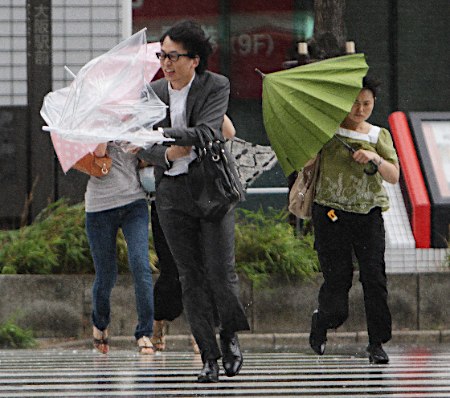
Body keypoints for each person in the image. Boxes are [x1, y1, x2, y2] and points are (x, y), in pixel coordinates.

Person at [137, 20, 250, 383]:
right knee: (190, 277)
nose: (166, 63)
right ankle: (209, 358)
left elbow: (207, 131)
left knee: (221, 274)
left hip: (211, 188)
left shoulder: (216, 86)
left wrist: (162, 133)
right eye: (162, 55)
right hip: (171, 193)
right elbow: (144, 146)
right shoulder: (152, 93)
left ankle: (229, 334)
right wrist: (167, 152)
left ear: (195, 60)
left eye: (174, 56)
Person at [308, 76, 400, 364]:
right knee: (338, 279)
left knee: (374, 278)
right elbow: (304, 163)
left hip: (369, 214)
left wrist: (374, 158)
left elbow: (394, 176)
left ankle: (377, 343)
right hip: (331, 214)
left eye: (366, 103)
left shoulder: (378, 135)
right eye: (355, 103)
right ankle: (324, 321)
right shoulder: (326, 131)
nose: (360, 109)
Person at [150, 114, 236, 354]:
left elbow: (229, 132)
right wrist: (169, 154)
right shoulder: (158, 106)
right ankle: (158, 322)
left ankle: (201, 332)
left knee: (204, 270)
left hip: (204, 195)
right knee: (172, 271)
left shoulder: (206, 104)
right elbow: (142, 153)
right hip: (168, 199)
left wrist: (211, 113)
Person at [85, 142, 155, 355]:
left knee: (141, 264)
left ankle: (144, 332)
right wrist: (100, 144)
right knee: (106, 275)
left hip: (134, 202)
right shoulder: (91, 125)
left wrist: (142, 150)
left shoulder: (134, 120)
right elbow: (96, 164)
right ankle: (100, 323)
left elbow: (149, 159)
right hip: (99, 207)